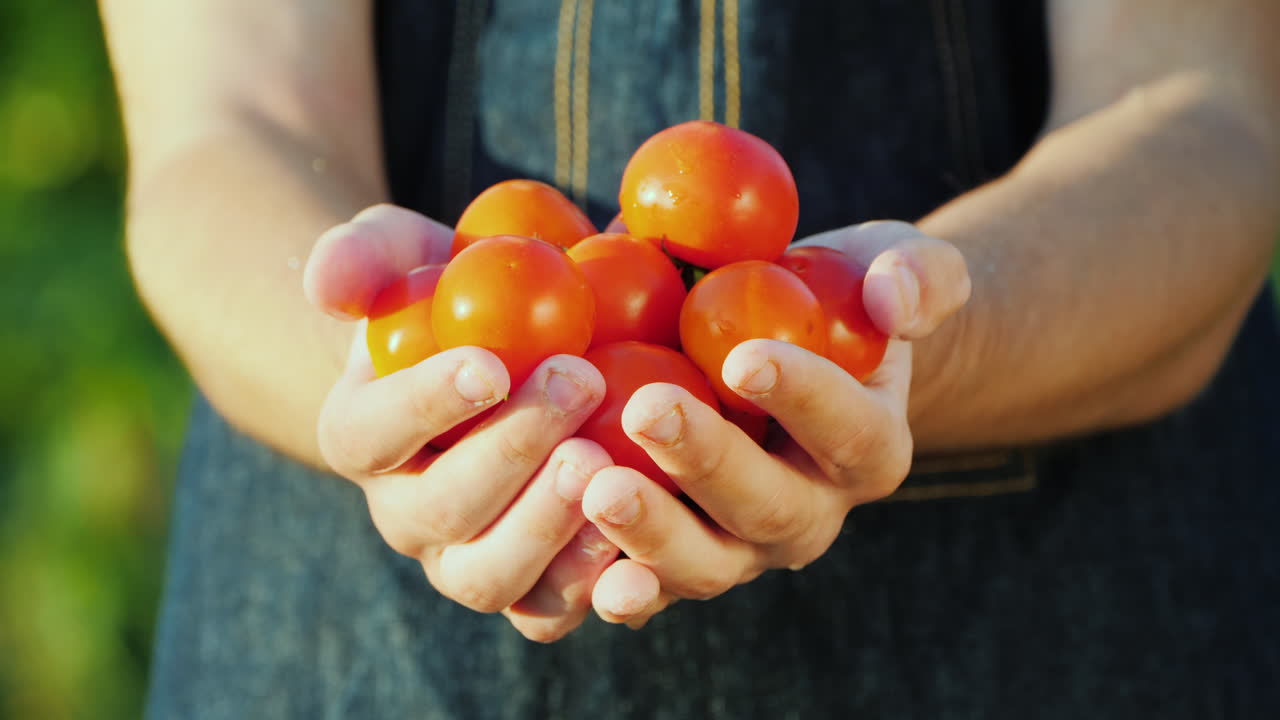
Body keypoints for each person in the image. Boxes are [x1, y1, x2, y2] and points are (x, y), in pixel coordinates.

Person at [101, 0, 1280, 717]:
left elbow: (1198, 121)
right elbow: (223, 131)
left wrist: (921, 332)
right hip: (365, 643)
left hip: (1052, 630)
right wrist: (380, 380)